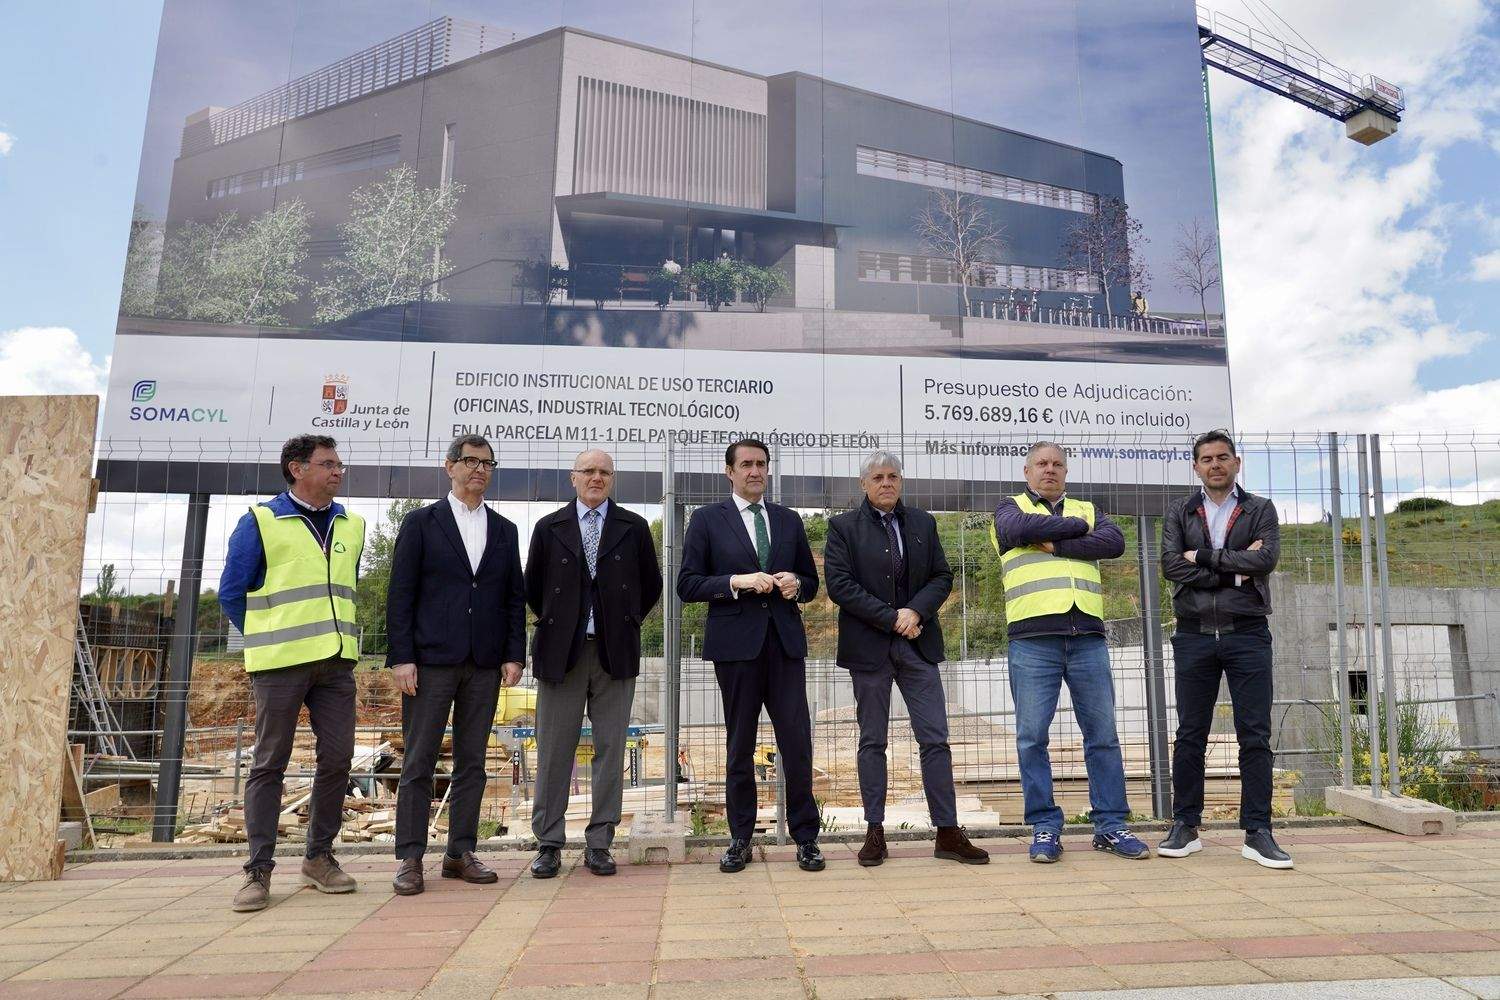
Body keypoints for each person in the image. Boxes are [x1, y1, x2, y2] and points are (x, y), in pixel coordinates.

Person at [219, 434, 366, 911]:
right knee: (269, 764)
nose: (338, 471)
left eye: (339, 464)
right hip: (279, 666)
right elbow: (231, 593)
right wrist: (269, 635)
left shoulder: (353, 524)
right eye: (328, 463)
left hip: (336, 664)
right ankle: (257, 870)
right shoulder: (260, 521)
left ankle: (319, 857)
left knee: (339, 760)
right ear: (296, 469)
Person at [824, 450, 988, 867]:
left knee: (935, 739)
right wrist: (893, 619)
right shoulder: (843, 527)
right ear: (863, 484)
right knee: (872, 741)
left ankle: (948, 831)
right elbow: (840, 585)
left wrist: (915, 612)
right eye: (877, 477)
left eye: (893, 476)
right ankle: (875, 831)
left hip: (919, 644)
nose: (886, 483)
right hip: (871, 648)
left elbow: (941, 575)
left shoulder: (922, 522)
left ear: (902, 481)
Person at [991, 441, 1149, 864]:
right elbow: (1015, 533)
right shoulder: (1008, 509)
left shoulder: (1089, 507)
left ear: (1066, 471)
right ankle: (1045, 826)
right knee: (1031, 739)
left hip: (1087, 639)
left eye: (1057, 464)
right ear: (1027, 472)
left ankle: (1111, 824)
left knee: (1103, 737)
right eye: (1041, 464)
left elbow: (1113, 542)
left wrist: (1055, 544)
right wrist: (1078, 531)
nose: (1049, 470)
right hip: (1032, 640)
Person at [385, 434, 526, 895]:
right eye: (470, 461)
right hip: (430, 663)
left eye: (487, 463)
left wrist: (513, 653)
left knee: (472, 762)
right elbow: (401, 594)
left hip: (484, 663)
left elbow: (512, 598)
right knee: (419, 760)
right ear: (450, 467)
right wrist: (402, 656)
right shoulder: (421, 523)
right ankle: (409, 856)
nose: (479, 470)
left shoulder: (504, 530)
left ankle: (459, 852)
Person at [677, 439, 823, 874]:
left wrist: (798, 583)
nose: (755, 471)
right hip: (737, 649)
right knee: (739, 744)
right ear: (729, 472)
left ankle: (806, 838)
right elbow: (688, 585)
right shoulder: (706, 521)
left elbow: (812, 583)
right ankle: (740, 837)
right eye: (746, 465)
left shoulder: (788, 520)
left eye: (761, 464)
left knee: (797, 744)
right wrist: (738, 581)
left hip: (784, 646)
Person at [525, 448, 663, 878]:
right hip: (560, 655)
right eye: (588, 471)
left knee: (609, 750)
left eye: (604, 472)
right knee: (553, 751)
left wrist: (622, 620)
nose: (596, 478)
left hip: (613, 653)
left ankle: (600, 841)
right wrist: (560, 621)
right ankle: (548, 842)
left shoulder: (634, 527)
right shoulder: (549, 528)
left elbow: (651, 585)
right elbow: (532, 588)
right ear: (573, 478)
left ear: (612, 479)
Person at [1158, 429, 1291, 869]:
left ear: (1236, 462)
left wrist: (1205, 557)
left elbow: (1265, 561)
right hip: (1193, 633)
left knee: (1254, 734)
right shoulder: (1180, 510)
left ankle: (1258, 831)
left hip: (1247, 633)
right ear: (1196, 466)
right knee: (1189, 734)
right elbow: (1171, 566)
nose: (1215, 464)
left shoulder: (1260, 509)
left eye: (1222, 457)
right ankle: (1185, 825)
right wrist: (1234, 569)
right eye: (1206, 459)